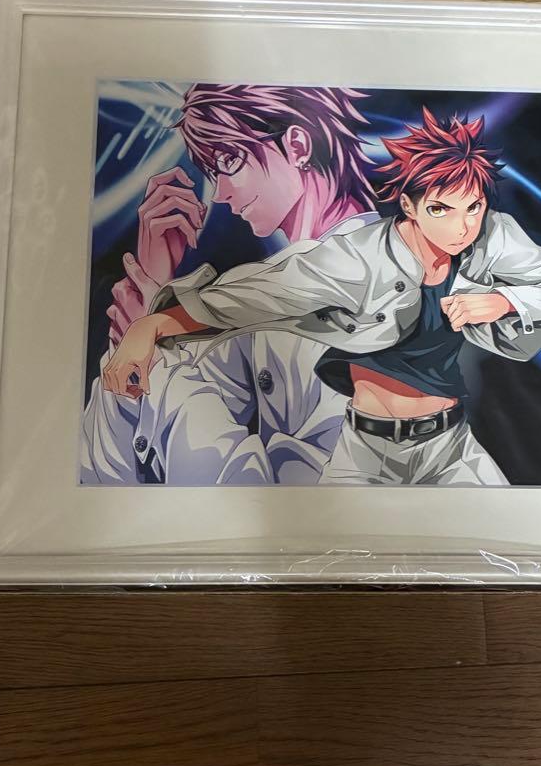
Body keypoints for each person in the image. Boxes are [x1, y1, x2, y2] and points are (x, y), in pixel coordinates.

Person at [103, 108, 541, 486]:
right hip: (366, 453)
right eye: (442, 209)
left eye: (473, 207)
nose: (462, 226)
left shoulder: (493, 236)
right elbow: (256, 295)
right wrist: (153, 325)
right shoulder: (356, 257)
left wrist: (507, 302)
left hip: (452, 447)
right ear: (408, 206)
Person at [80, 84, 378, 485]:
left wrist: (156, 346)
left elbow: (240, 480)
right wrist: (150, 300)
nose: (220, 193)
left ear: (297, 145)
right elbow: (110, 473)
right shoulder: (251, 296)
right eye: (213, 172)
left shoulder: (384, 276)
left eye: (230, 161)